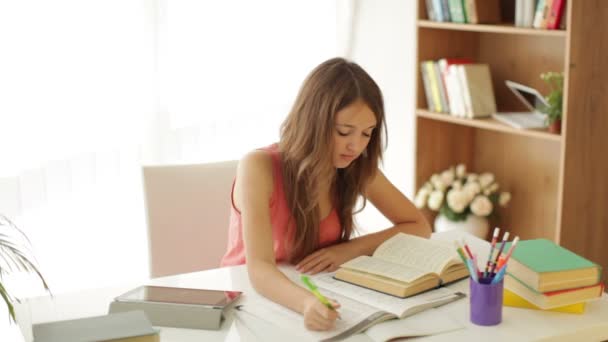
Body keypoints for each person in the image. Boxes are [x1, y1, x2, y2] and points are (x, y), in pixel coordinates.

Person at [221, 57, 431, 331]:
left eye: (367, 134)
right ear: (313, 122)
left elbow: (419, 226)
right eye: (344, 132)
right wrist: (307, 303)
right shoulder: (258, 167)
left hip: (316, 289)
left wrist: (350, 249)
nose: (355, 146)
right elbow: (259, 269)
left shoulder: (355, 166)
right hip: (248, 301)